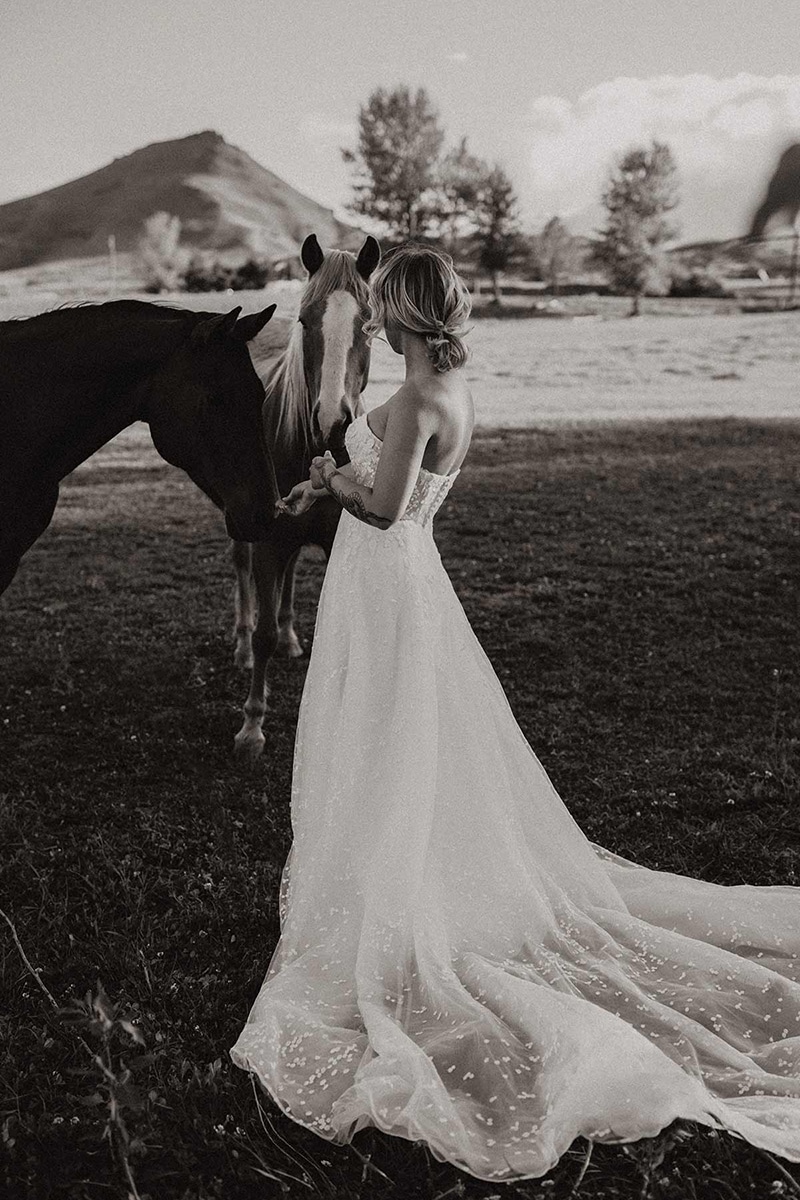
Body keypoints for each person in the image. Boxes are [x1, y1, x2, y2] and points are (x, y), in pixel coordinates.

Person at [230, 244, 800, 1182]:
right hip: (396, 581)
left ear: (406, 317)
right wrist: (324, 481)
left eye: (382, 308)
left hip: (386, 580)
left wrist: (332, 482)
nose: (375, 321)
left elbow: (384, 509)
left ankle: (399, 895)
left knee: (385, 732)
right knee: (397, 735)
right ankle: (390, 866)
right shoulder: (447, 391)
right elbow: (389, 495)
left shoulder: (420, 400)